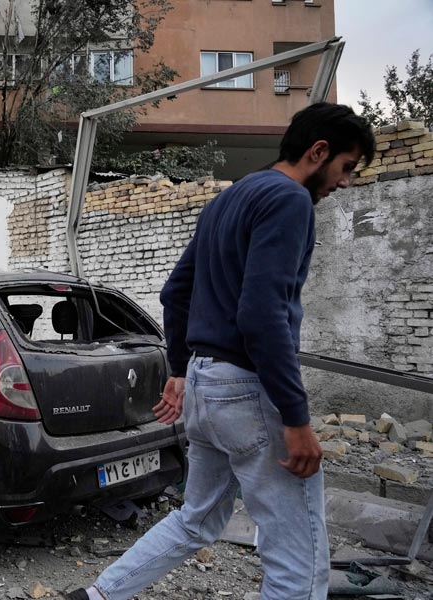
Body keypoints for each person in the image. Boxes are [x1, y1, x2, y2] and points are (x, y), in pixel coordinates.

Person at [62, 103, 375, 600]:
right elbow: (261, 315)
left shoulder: (228, 200)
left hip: (207, 392)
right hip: (249, 392)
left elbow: (175, 293)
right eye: (346, 168)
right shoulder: (289, 200)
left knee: (197, 521)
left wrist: (183, 370)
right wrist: (296, 421)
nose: (345, 183)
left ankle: (97, 596)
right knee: (299, 562)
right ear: (319, 152)